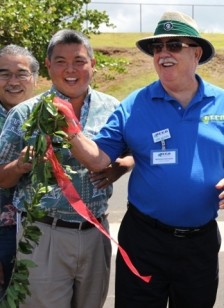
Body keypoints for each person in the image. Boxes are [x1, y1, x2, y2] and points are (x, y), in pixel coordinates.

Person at [53, 11, 224, 308]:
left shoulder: (223, 103)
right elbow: (98, 159)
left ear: (196, 53)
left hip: (200, 243)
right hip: (145, 240)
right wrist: (70, 127)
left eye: (174, 45)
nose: (163, 53)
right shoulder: (134, 105)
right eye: (157, 48)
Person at [0, 30, 133, 307]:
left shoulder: (113, 108)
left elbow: (136, 152)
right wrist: (21, 164)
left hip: (96, 231)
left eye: (79, 61)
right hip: (44, 234)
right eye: (61, 61)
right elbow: (2, 178)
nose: (71, 70)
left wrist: (119, 168)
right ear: (48, 65)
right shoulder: (25, 112)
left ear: (93, 64)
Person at [0, 45, 39, 299]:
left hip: (40, 236)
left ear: (35, 78)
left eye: (21, 73)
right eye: (4, 73)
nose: (13, 81)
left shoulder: (47, 115)